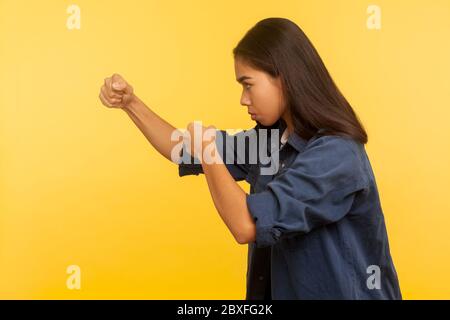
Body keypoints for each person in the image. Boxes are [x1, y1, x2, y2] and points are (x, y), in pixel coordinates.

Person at [98, 17, 402, 300]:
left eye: (248, 84)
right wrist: (131, 104)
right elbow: (181, 148)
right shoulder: (271, 141)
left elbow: (245, 225)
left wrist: (209, 152)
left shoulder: (337, 154)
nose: (243, 98)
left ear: (284, 79)